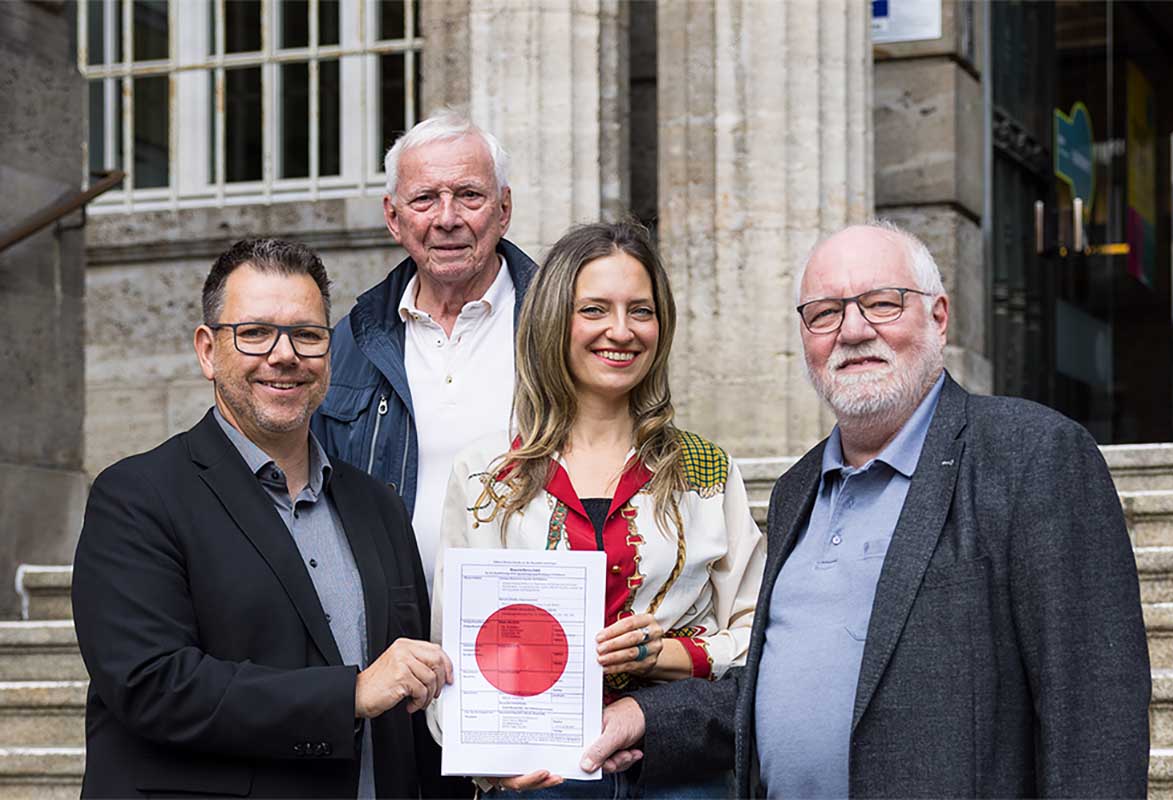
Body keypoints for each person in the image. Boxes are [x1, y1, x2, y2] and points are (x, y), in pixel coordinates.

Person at [585, 221, 1152, 797]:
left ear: (938, 316)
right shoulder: (798, 489)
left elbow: (1094, 708)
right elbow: (778, 690)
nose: (853, 331)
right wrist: (645, 718)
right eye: (825, 313)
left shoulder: (1030, 456)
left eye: (882, 304)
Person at [72, 239, 454, 798]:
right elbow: (152, 684)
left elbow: (412, 693)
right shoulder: (136, 497)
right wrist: (348, 695)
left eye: (307, 334)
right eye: (253, 333)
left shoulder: (380, 508)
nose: (284, 355)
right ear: (207, 351)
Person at [430, 220, 766, 797]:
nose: (621, 330)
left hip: (680, 774)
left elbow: (757, 636)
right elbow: (452, 656)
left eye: (641, 310)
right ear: (554, 320)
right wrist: (488, 765)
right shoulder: (487, 476)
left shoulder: (705, 470)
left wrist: (667, 653)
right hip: (540, 781)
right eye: (594, 309)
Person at [312, 110, 538, 596]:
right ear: (394, 217)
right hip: (391, 635)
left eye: (469, 196)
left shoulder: (558, 324)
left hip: (532, 630)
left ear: (503, 209)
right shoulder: (352, 340)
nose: (447, 218)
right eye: (425, 199)